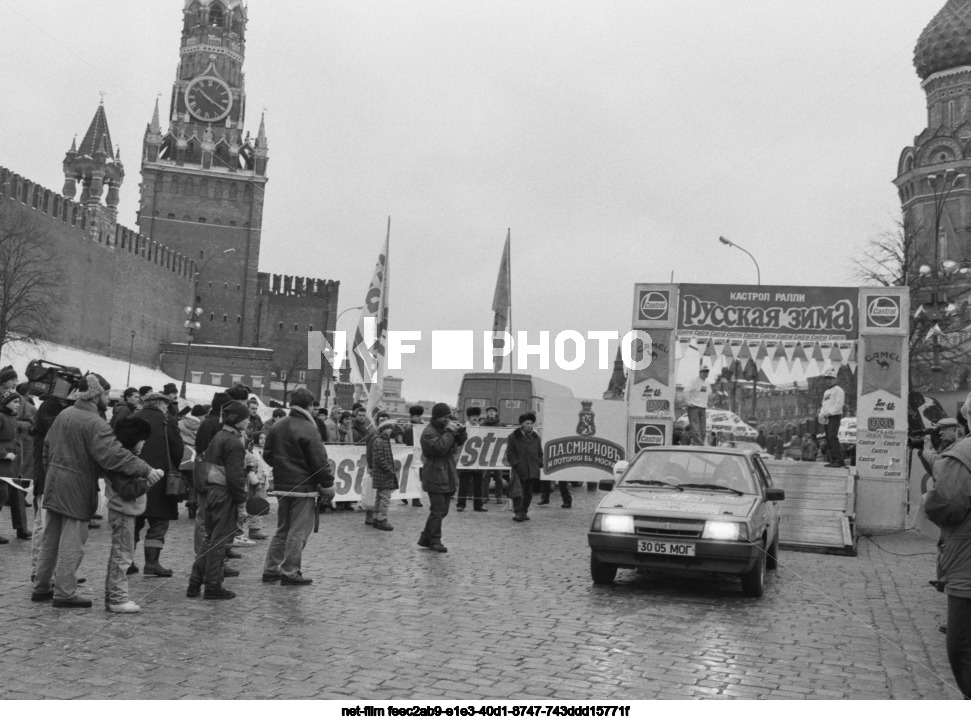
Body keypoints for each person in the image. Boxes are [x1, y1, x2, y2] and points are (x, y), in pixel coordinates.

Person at [32, 373, 162, 609]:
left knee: (50, 539)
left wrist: (51, 473)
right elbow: (113, 455)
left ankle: (41, 586)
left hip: (54, 482)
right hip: (76, 488)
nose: (106, 398)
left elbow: (46, 448)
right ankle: (64, 592)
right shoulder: (95, 423)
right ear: (96, 395)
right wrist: (145, 469)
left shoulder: (65, 414)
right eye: (104, 393)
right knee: (73, 543)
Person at [923, 392, 971, 699]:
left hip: (968, 564)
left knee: (961, 646)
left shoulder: (963, 453)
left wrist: (928, 497)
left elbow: (946, 505)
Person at [261, 388, 335, 585]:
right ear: (309, 406)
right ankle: (290, 571)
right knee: (298, 531)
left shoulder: (278, 425)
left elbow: (267, 455)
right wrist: (327, 484)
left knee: (283, 529)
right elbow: (319, 461)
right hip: (304, 489)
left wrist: (282, 468)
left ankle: (271, 568)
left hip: (282, 485)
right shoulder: (309, 428)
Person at [187, 401, 250, 600]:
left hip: (213, 492)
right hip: (225, 494)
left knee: (209, 539)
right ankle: (213, 585)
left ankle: (195, 583)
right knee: (219, 542)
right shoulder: (233, 442)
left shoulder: (218, 436)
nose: (248, 421)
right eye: (246, 417)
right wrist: (241, 503)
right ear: (237, 420)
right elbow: (235, 477)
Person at [103, 417, 156, 613]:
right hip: (123, 512)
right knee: (123, 556)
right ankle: (118, 598)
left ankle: (113, 597)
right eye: (142, 439)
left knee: (119, 554)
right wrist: (148, 482)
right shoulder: (123, 461)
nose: (144, 443)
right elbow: (127, 490)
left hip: (123, 512)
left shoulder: (124, 457)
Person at [133, 392, 184, 577]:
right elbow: (178, 448)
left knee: (134, 521)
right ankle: (152, 563)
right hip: (160, 478)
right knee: (159, 522)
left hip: (135, 476)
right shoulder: (166, 420)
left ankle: (128, 562)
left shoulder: (133, 417)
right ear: (161, 404)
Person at [29, 392, 73, 576]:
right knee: (43, 524)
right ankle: (40, 570)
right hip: (46, 477)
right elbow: (56, 428)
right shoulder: (49, 407)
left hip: (53, 477)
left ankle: (50, 571)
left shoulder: (55, 407)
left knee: (48, 524)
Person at [418, 403, 467, 552]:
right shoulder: (429, 432)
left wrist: (460, 431)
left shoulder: (443, 429)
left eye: (448, 417)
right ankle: (435, 540)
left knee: (442, 510)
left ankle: (426, 537)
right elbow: (439, 448)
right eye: (445, 417)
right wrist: (450, 432)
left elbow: (460, 441)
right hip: (434, 474)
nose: (447, 420)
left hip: (446, 473)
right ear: (437, 417)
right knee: (438, 510)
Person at [0, 368, 30, 540]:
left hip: (15, 453)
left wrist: (16, 424)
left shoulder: (18, 400)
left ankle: (21, 527)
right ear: (4, 381)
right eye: (13, 380)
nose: (15, 383)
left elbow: (29, 422)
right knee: (2, 493)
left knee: (17, 491)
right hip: (5, 457)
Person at [506, 412, 543, 522]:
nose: (529, 425)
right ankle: (518, 512)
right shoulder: (513, 436)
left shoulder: (536, 437)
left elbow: (539, 452)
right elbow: (510, 453)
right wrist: (516, 464)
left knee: (528, 493)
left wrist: (539, 462)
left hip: (532, 469)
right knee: (518, 492)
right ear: (522, 424)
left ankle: (524, 511)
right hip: (519, 469)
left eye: (531, 423)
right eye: (527, 423)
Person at [365, 418, 399, 531]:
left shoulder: (383, 440)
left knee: (380, 497)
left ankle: (376, 518)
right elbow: (379, 458)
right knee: (385, 498)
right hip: (383, 474)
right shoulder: (380, 441)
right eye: (388, 428)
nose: (390, 430)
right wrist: (390, 469)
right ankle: (382, 519)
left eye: (391, 428)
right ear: (383, 429)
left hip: (382, 474)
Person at [456, 407, 487, 512]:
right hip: (466, 459)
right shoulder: (463, 428)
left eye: (477, 416)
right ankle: (461, 504)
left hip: (478, 459)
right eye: (473, 416)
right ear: (468, 417)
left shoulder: (481, 429)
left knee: (478, 483)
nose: (475, 418)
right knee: (464, 483)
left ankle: (478, 505)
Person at [818, 367, 845, 468]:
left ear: (835, 379)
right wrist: (821, 414)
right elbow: (824, 405)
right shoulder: (826, 392)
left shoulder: (838, 390)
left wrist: (829, 413)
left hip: (834, 416)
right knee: (828, 439)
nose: (828, 381)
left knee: (833, 437)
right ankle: (833, 460)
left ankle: (839, 460)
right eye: (826, 379)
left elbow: (839, 405)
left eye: (830, 378)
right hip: (826, 418)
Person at [401, 405, 426, 507]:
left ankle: (415, 498)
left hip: (420, 456)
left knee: (418, 478)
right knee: (411, 476)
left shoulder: (421, 427)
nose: (419, 418)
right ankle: (409, 496)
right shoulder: (409, 428)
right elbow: (406, 442)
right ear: (412, 416)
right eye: (417, 416)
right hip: (411, 455)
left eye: (420, 415)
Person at [479, 405, 505, 502]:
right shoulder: (483, 424)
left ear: (496, 413)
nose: (491, 413)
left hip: (497, 453)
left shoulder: (501, 424)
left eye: (493, 411)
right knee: (485, 477)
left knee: (499, 477)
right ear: (487, 413)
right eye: (489, 411)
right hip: (486, 453)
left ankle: (499, 497)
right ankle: (485, 496)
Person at [684, 364, 711, 446]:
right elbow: (686, 391)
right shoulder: (694, 381)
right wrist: (688, 402)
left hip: (703, 408)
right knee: (696, 428)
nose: (706, 374)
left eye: (707, 372)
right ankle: (698, 445)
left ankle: (700, 444)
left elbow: (709, 393)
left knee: (703, 430)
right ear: (700, 372)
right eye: (704, 372)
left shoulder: (707, 383)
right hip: (694, 407)